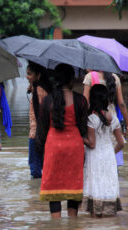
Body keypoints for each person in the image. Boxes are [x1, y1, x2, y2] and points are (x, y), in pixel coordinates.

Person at [36, 64, 88, 218]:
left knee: (54, 187)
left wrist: (42, 152)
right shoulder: (81, 100)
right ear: (71, 80)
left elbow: (42, 130)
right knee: (73, 185)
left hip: (54, 147)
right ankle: (73, 221)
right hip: (74, 147)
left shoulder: (47, 101)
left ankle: (56, 225)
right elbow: (83, 128)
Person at [83, 84, 124, 217]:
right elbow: (121, 143)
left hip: (95, 157)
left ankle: (95, 219)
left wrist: (81, 137)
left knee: (96, 185)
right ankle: (110, 219)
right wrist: (111, 152)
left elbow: (92, 144)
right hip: (109, 155)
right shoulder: (113, 118)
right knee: (108, 183)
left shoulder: (91, 119)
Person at [83, 71, 128, 166]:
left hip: (95, 116)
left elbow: (85, 101)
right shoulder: (115, 77)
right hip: (111, 118)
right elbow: (121, 103)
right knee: (111, 155)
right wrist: (127, 123)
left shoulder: (89, 77)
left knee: (93, 153)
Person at [26, 61, 52, 178]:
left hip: (37, 132)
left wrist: (38, 135)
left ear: (38, 75)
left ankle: (36, 191)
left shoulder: (39, 89)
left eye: (30, 74)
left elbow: (41, 113)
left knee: (35, 168)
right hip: (43, 132)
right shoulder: (42, 87)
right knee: (43, 164)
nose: (27, 77)